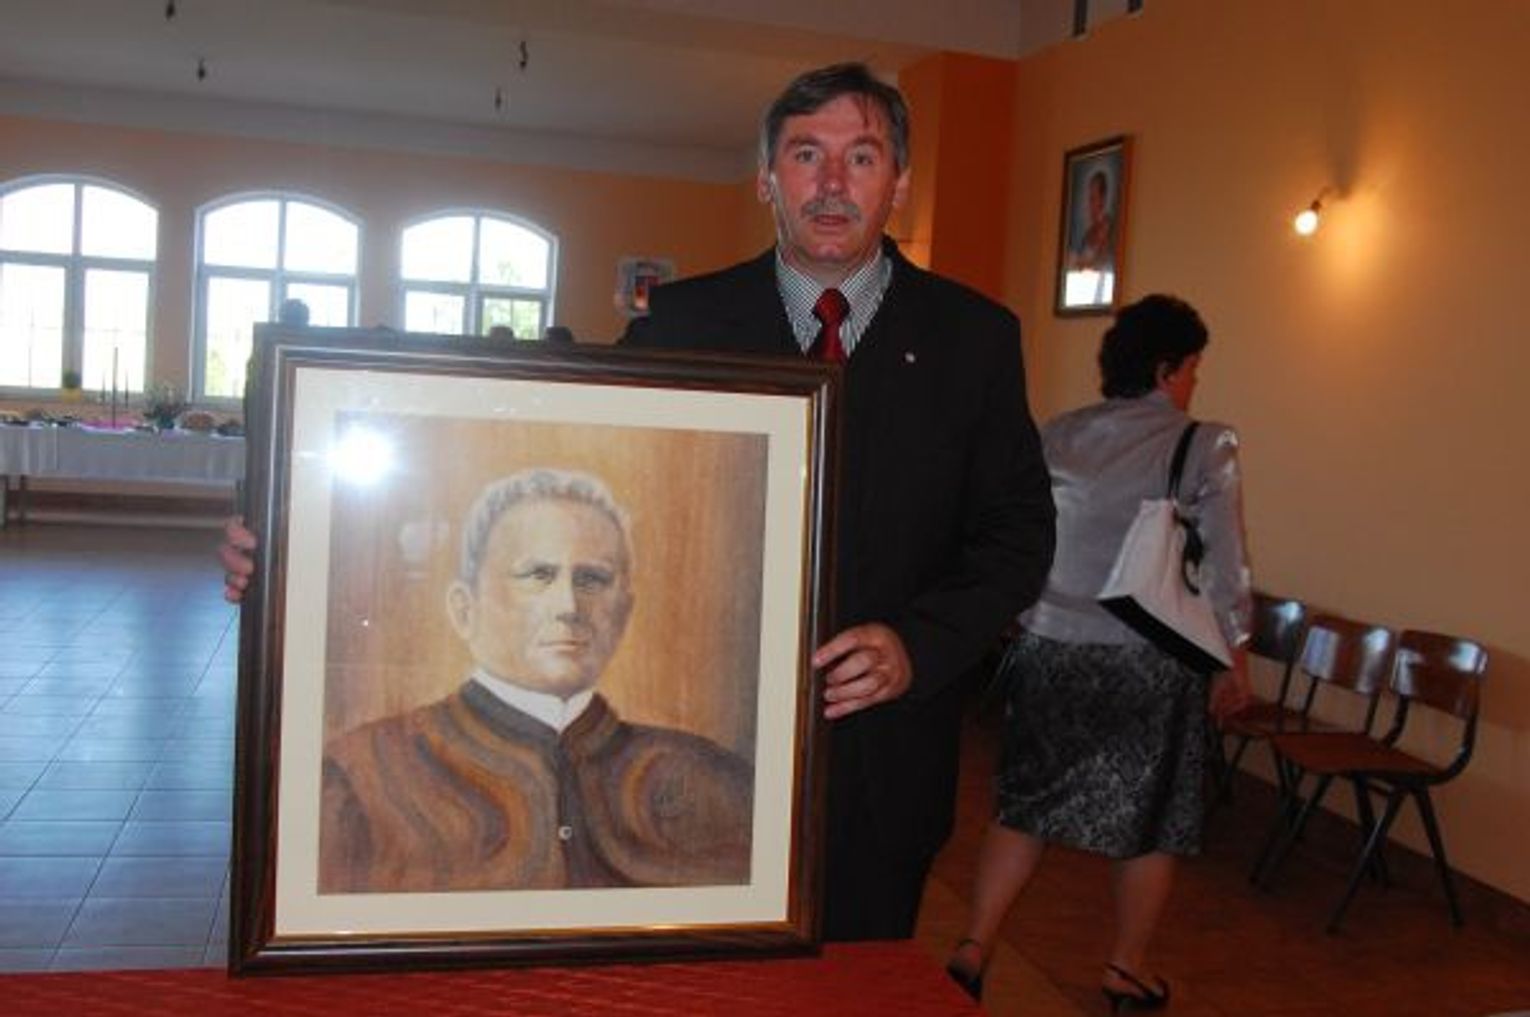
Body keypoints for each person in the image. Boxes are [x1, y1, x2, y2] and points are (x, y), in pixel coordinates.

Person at [621, 62, 1056, 941]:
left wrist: (919, 644)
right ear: (765, 179)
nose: (830, 183)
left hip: (883, 765)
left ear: (899, 183)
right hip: (688, 749)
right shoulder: (679, 325)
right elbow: (599, 485)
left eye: (860, 157)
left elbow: (1018, 532)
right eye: (805, 154)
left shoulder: (974, 338)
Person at [944, 294, 1252, 1008]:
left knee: (1023, 807)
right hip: (1151, 660)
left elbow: (1018, 535)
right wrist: (1235, 654)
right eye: (1193, 368)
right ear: (1167, 368)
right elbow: (1227, 566)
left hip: (1051, 648)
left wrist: (1023, 613)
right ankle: (1125, 967)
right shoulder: (1205, 444)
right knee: (1152, 823)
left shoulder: (1060, 435)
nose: (1194, 383)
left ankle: (975, 945)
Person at [318, 467, 753, 893]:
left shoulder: (713, 780)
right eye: (537, 575)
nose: (568, 606)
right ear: (465, 610)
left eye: (592, 579)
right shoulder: (359, 777)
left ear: (624, 613)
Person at [1068, 169, 1115, 273]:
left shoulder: (1108, 228)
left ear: (1103, 199)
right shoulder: (1088, 232)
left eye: (1093, 198)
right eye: (1089, 198)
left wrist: (1081, 263)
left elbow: (1103, 265)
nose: (1089, 204)